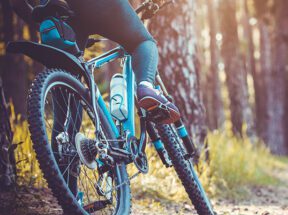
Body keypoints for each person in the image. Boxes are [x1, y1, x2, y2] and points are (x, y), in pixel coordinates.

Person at [10, 0, 180, 124]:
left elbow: (17, 4)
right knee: (142, 42)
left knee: (65, 112)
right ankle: (145, 87)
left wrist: (44, 22)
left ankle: (61, 170)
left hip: (58, 16)